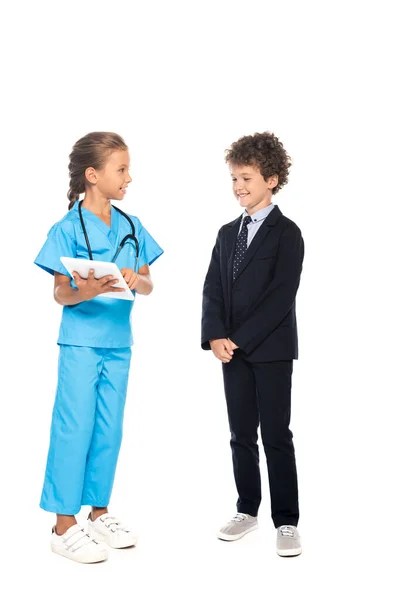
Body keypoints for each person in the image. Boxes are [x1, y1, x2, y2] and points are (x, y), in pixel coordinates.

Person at [34, 132, 163, 563]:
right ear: (93, 175)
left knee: (109, 429)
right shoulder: (67, 228)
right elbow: (59, 293)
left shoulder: (130, 225)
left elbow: (147, 283)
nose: (129, 177)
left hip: (118, 343)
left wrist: (134, 279)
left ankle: (98, 511)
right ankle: (63, 524)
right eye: (121, 169)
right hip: (80, 344)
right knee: (74, 428)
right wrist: (82, 291)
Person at [201, 132, 304, 557]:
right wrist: (214, 336)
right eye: (233, 178)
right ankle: (247, 509)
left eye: (246, 177)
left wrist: (238, 338)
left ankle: (287, 520)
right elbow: (213, 289)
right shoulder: (228, 233)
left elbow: (281, 295)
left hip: (271, 349)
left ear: (271, 179)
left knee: (276, 433)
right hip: (231, 352)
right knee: (240, 433)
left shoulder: (287, 233)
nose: (238, 186)